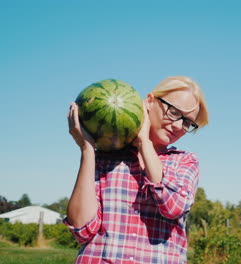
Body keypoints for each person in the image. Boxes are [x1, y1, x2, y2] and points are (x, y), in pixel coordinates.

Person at [64, 76, 209, 263]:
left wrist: (144, 143)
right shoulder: (105, 158)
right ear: (149, 101)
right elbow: (82, 229)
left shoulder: (184, 161)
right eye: (173, 112)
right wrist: (87, 150)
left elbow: (173, 206)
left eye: (187, 123)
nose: (178, 126)